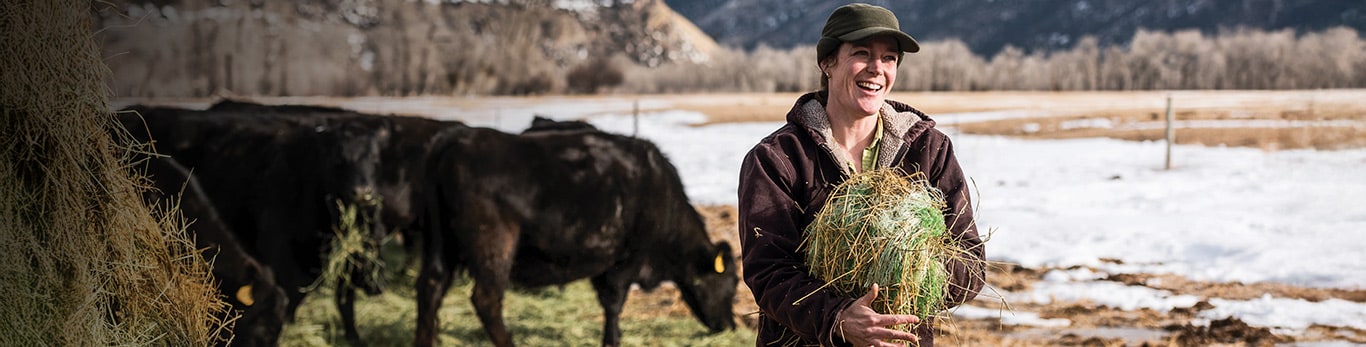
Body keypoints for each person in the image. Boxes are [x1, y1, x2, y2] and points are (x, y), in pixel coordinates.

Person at [737, 3, 986, 346]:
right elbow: (769, 273)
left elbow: (970, 262)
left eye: (889, 58)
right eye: (861, 53)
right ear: (827, 62)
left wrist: (909, 273)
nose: (876, 69)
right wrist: (837, 317)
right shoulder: (777, 158)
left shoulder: (928, 149)